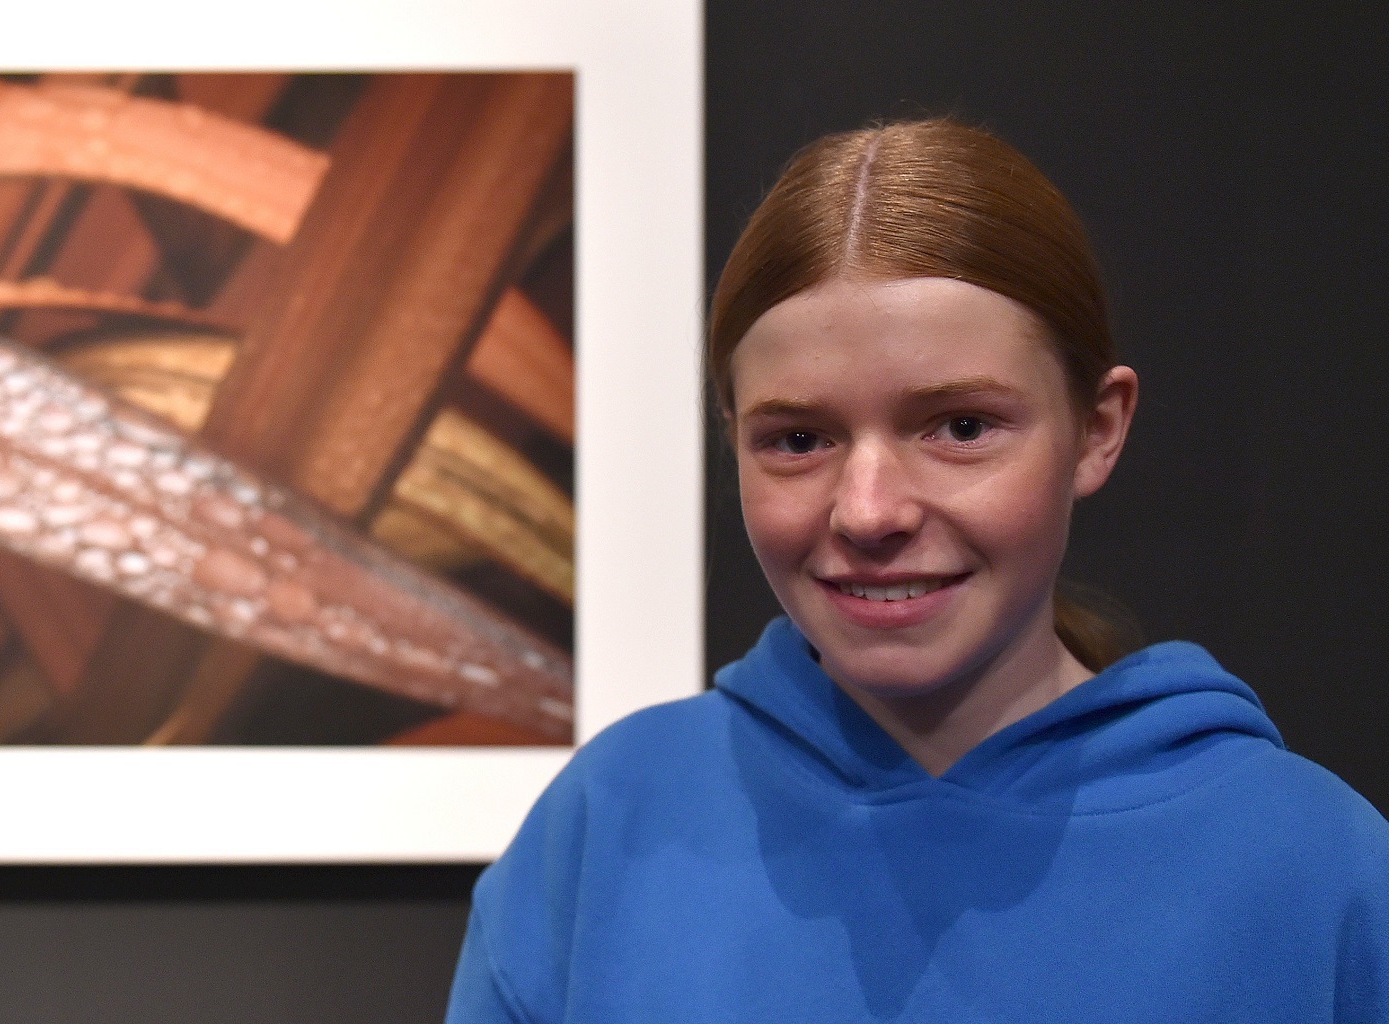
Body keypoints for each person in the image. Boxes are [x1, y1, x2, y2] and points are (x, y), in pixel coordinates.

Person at [445, 118, 1389, 1022]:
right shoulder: (609, 826)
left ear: (1096, 430)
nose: (868, 511)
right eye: (798, 439)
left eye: (961, 428)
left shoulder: (1311, 871)